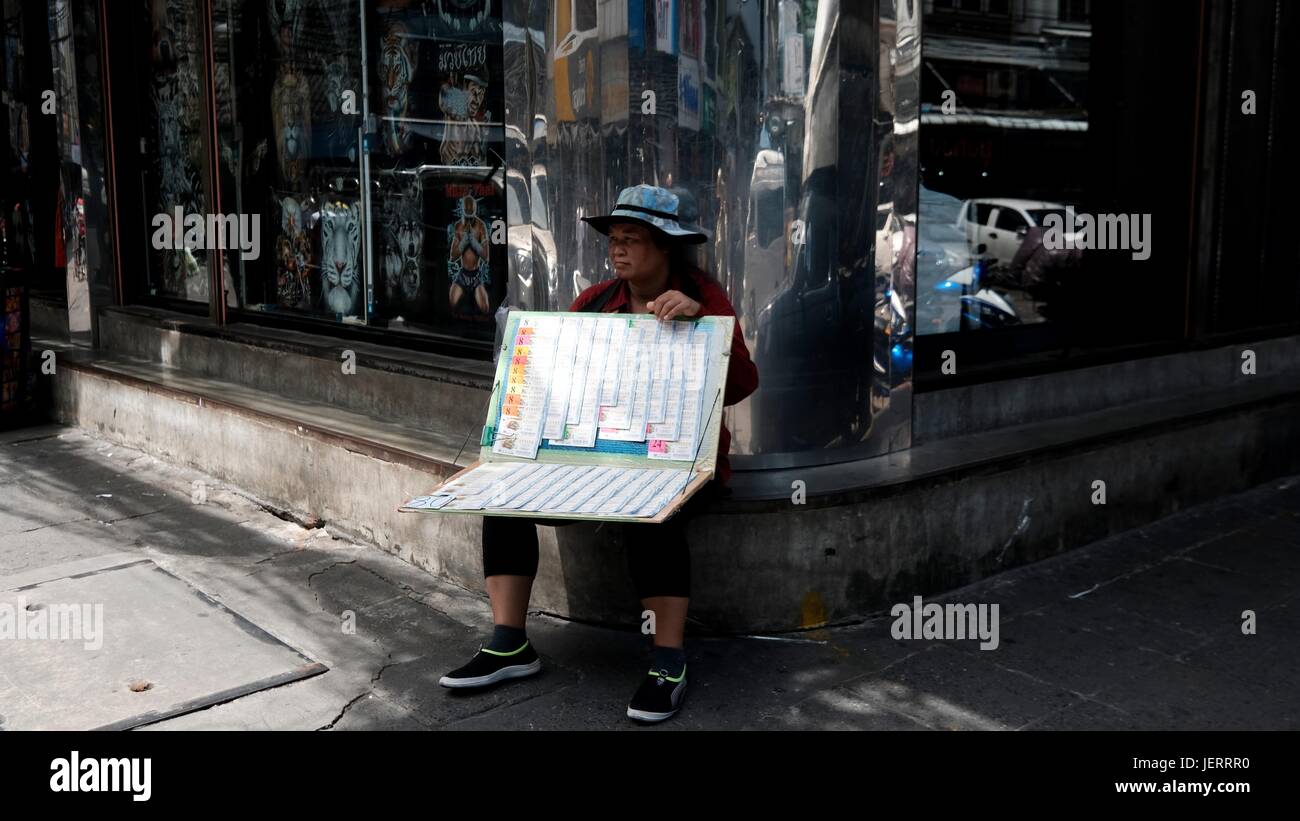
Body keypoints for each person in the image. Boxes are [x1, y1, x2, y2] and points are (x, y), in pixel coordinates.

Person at [438, 184, 759, 722]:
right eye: (615, 239)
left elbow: (746, 380)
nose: (618, 249)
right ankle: (509, 641)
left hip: (678, 464)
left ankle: (668, 660)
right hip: (591, 459)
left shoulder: (705, 299)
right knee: (502, 495)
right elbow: (563, 373)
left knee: (653, 515)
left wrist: (701, 322)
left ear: (665, 249)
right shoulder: (595, 303)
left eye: (632, 239)